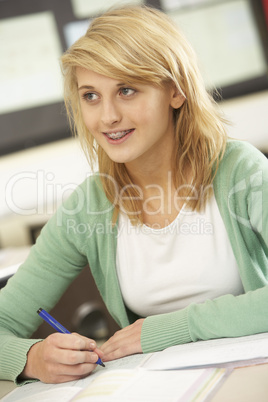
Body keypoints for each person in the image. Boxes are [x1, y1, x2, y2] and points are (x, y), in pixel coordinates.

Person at [0, 5, 268, 385]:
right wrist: (30, 357)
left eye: (126, 90)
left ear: (175, 91)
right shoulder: (90, 205)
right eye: (91, 96)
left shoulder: (241, 172)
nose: (107, 116)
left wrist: (162, 330)